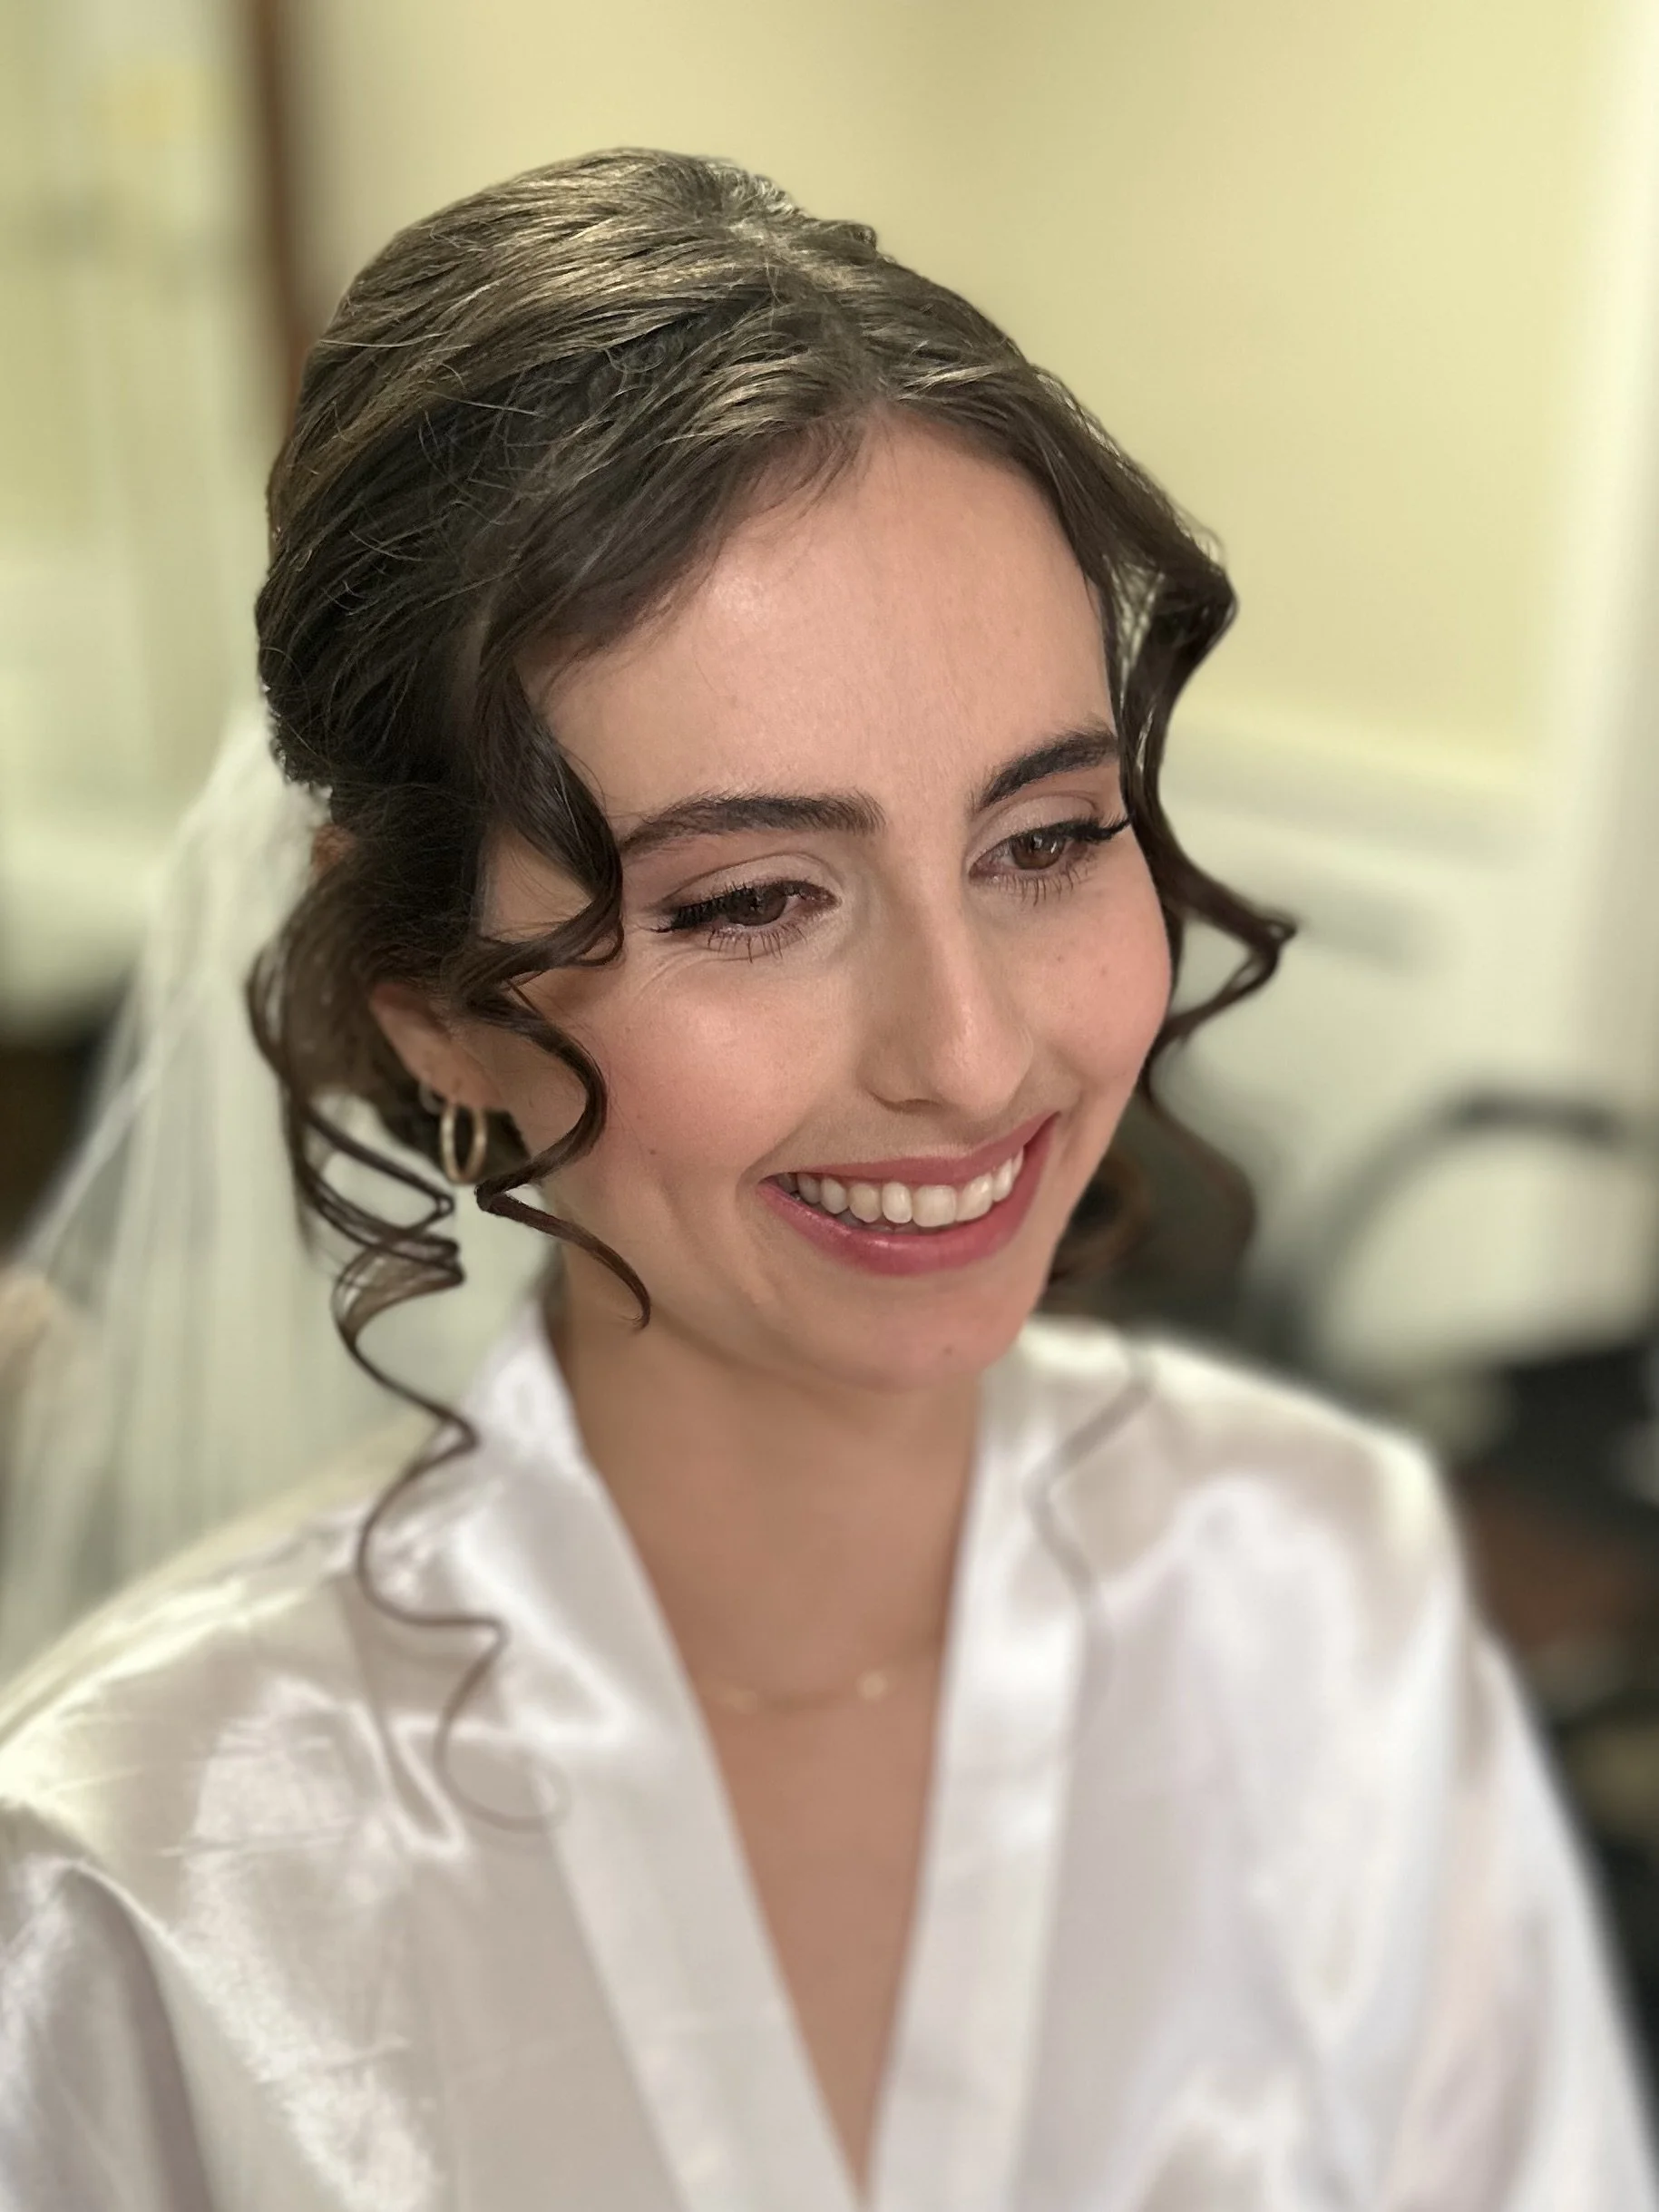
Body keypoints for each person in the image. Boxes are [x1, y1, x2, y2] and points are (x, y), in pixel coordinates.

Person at [0, 151, 1652, 2211]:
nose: (969, 1053)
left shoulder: (1330, 1593)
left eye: (1044, 840)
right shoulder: (136, 1878)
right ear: (431, 1007)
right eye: (752, 899)